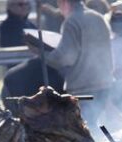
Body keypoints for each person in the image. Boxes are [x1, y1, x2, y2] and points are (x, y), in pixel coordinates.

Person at [28, 0, 113, 129]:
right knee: (96, 127)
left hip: (83, 88)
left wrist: (43, 54)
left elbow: (66, 57)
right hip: (104, 85)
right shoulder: (98, 17)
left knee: (84, 130)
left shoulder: (72, 21)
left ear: (65, 3)